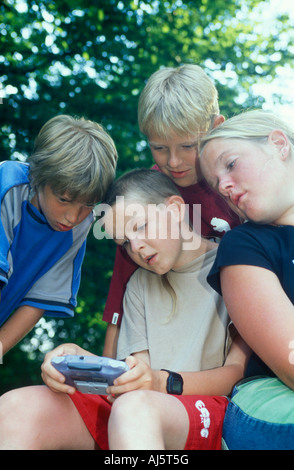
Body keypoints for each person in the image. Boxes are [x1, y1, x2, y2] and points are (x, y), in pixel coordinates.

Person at [0, 169, 249, 450]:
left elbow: (237, 372)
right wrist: (80, 361)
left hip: (208, 411)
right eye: (125, 243)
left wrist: (160, 382)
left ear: (176, 209)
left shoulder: (235, 264)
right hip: (139, 408)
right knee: (15, 407)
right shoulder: (139, 285)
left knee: (134, 409)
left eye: (140, 227)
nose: (137, 247)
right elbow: (135, 373)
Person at [102, 64, 241, 358]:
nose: (174, 161)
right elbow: (119, 302)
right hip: (173, 349)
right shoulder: (145, 202)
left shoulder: (239, 184)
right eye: (160, 148)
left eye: (188, 145)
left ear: (216, 126)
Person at [199, 109, 294, 450]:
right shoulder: (244, 245)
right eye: (216, 184)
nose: (223, 186)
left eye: (231, 164)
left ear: (278, 144)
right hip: (269, 397)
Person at [0, 114, 118, 355]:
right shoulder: (6, 185)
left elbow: (38, 299)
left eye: (88, 204)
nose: (72, 218)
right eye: (64, 199)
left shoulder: (79, 227)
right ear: (38, 176)